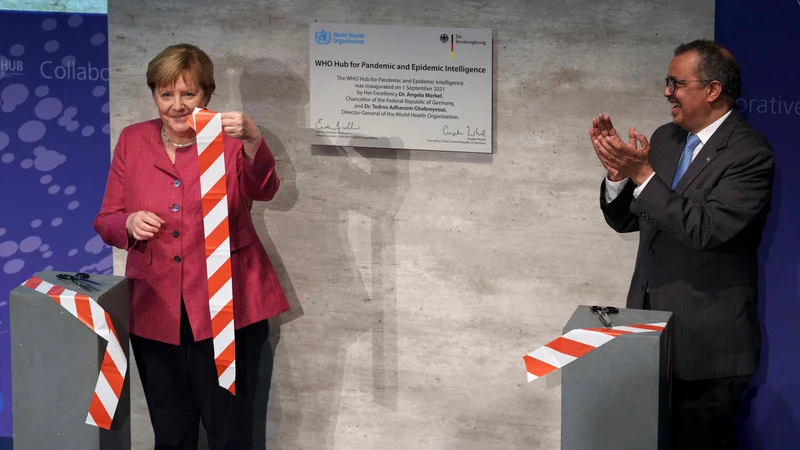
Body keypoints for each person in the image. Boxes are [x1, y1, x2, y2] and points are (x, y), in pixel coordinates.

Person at [94, 43, 289, 449]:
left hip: (228, 307)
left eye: (188, 94)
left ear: (207, 94)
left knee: (229, 431)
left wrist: (253, 139)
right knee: (172, 433)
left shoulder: (232, 138)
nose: (177, 105)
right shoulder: (132, 140)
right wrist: (127, 222)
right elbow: (106, 219)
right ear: (154, 95)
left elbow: (264, 189)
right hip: (155, 309)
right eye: (166, 94)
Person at [589, 40, 774, 449]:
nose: (666, 91)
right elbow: (626, 220)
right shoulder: (666, 139)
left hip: (708, 350)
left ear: (712, 90)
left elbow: (705, 229)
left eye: (676, 82)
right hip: (647, 337)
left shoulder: (750, 154)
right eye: (666, 81)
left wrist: (643, 176)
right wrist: (619, 175)